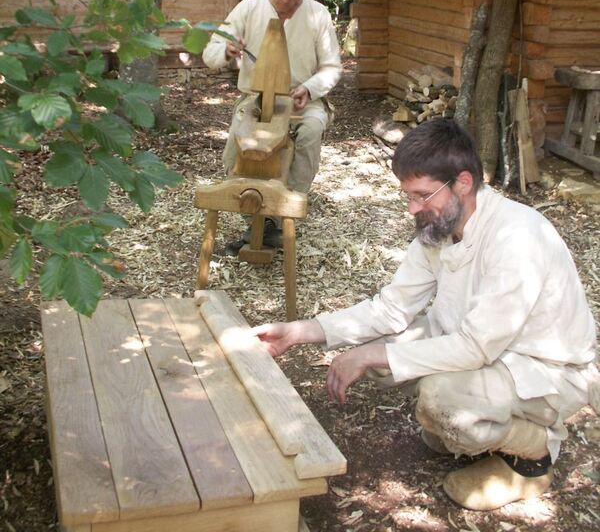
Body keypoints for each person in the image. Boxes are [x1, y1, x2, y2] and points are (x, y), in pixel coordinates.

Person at [254, 119, 598, 511]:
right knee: (396, 368)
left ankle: (534, 457)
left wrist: (372, 355)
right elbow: (391, 308)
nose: (413, 209)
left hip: (543, 372)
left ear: (463, 183)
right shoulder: (440, 225)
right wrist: (297, 332)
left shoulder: (517, 238)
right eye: (408, 197)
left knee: (440, 400)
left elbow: (476, 347)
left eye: (422, 195)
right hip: (485, 352)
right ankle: (475, 427)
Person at [202, 0, 342, 252]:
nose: (288, 0)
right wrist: (226, 51)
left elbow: (332, 67)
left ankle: (284, 213)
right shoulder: (249, 8)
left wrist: (309, 88)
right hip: (256, 96)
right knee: (241, 143)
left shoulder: (318, 15)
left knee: (309, 132)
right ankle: (252, 212)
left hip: (302, 97)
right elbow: (210, 52)